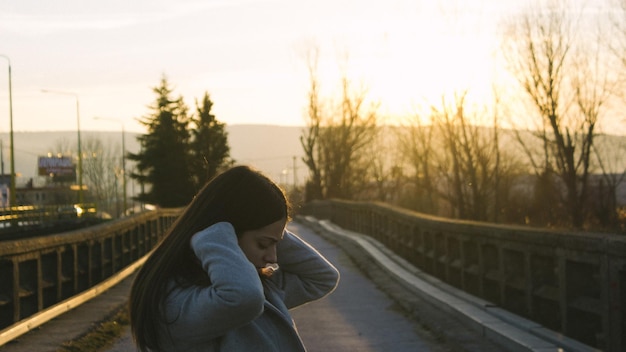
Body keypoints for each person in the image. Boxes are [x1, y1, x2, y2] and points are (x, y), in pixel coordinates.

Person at [129, 165, 339, 352]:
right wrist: (214, 234)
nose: (273, 257)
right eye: (263, 245)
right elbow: (244, 297)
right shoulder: (177, 303)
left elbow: (322, 277)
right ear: (225, 237)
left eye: (276, 244)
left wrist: (273, 232)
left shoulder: (260, 287)